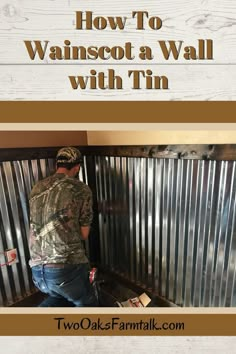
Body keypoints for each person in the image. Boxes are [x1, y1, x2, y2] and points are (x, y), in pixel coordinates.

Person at [28, 146, 98, 307]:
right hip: (66, 271)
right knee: (87, 301)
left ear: (56, 165)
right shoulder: (81, 189)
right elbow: (84, 234)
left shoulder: (37, 188)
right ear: (78, 167)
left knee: (60, 297)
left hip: (38, 273)